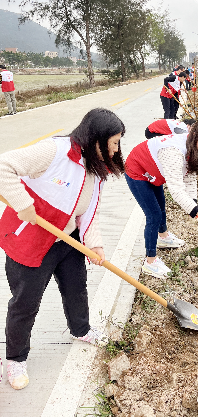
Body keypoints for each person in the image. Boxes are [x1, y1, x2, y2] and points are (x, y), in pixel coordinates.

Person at [0, 108, 125, 390]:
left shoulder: (95, 166)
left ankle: (81, 330)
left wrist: (95, 244)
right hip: (31, 240)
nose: (117, 151)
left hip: (67, 240)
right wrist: (23, 203)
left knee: (76, 288)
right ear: (96, 140)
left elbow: (89, 212)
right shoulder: (54, 151)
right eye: (114, 143)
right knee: (25, 304)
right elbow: (3, 165)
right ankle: (15, 359)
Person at [124, 118, 198, 278]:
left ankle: (163, 238)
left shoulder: (193, 148)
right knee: (154, 215)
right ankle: (150, 262)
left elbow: (189, 176)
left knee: (161, 205)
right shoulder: (174, 152)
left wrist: (194, 204)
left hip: (154, 171)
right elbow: (176, 191)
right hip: (137, 170)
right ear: (195, 135)